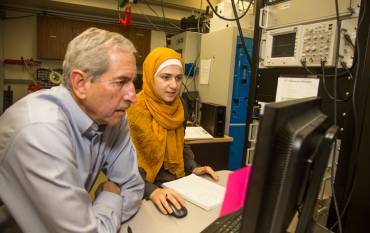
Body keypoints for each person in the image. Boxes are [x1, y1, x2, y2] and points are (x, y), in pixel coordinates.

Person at [0, 27, 144, 233]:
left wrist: (94, 218)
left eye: (132, 82)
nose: (133, 96)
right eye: (121, 82)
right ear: (80, 83)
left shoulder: (112, 116)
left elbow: (132, 186)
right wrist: (111, 196)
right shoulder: (40, 132)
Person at [127, 47, 219, 215]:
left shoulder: (181, 105)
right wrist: (150, 191)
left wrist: (193, 167)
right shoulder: (132, 109)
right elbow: (122, 162)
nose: (174, 85)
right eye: (165, 77)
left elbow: (181, 144)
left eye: (178, 78)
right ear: (150, 76)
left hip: (174, 182)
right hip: (139, 185)